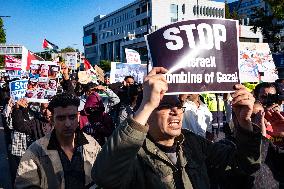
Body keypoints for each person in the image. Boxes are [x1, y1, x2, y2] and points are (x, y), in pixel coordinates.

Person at [92, 67, 262, 189]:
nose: (175, 110)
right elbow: (105, 176)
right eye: (164, 105)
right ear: (148, 110)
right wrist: (146, 104)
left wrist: (244, 125)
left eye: (178, 105)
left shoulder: (193, 143)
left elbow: (246, 166)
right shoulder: (133, 153)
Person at [15, 93, 101, 188]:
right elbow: (25, 184)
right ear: (52, 120)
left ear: (78, 116)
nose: (67, 124)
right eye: (61, 118)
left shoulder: (92, 145)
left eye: (72, 117)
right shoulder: (36, 151)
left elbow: (103, 176)